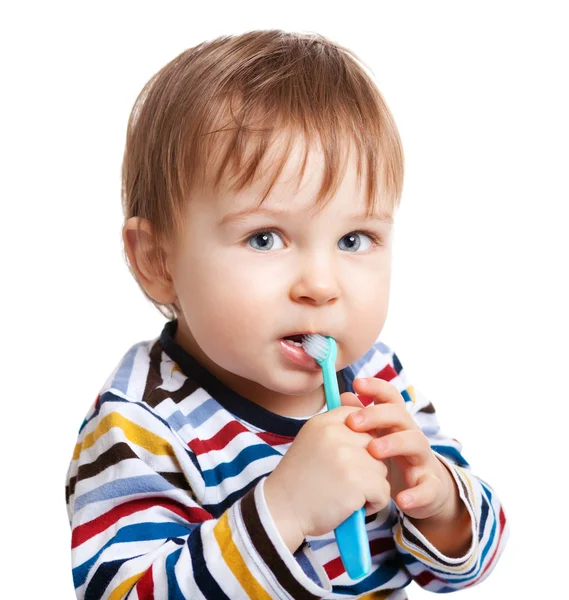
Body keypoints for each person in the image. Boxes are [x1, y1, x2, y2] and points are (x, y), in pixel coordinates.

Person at [65, 30, 508, 599]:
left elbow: (464, 565)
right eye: (265, 238)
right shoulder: (140, 424)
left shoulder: (376, 380)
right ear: (159, 260)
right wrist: (284, 510)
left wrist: (440, 500)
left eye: (354, 239)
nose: (321, 285)